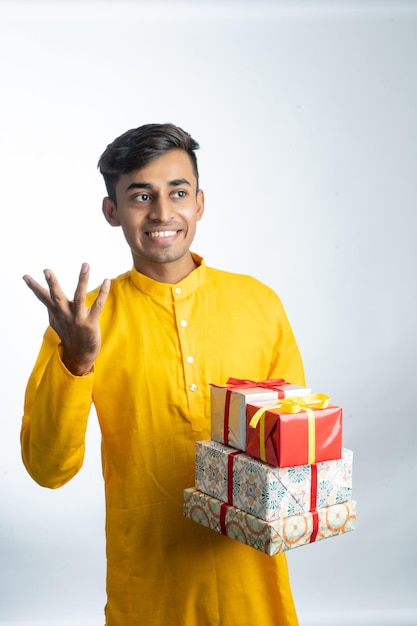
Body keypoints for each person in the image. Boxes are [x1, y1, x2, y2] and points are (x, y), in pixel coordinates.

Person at [21, 123, 306, 626]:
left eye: (178, 192)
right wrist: (78, 360)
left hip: (252, 590)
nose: (162, 212)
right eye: (140, 196)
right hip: (149, 593)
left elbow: (295, 460)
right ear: (112, 212)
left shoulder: (259, 304)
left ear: (200, 202)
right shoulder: (83, 323)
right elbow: (48, 470)